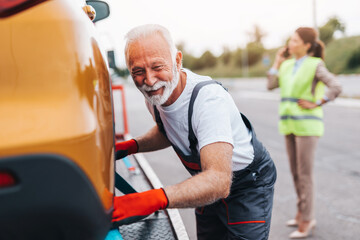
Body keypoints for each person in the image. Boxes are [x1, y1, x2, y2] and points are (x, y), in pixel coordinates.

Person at [113, 24, 277, 240]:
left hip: (246, 186)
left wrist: (152, 199)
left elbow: (218, 180)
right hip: (204, 181)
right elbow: (170, 131)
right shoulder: (154, 96)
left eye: (157, 67)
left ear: (177, 61)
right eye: (138, 71)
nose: (150, 80)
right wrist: (130, 147)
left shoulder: (208, 100)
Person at [267, 27, 342, 239]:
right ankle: (301, 213)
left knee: (305, 175)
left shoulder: (315, 64)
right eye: (290, 40)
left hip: (308, 127)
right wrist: (276, 62)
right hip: (289, 125)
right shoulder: (286, 65)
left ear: (306, 45)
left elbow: (336, 86)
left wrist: (317, 102)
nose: (290, 44)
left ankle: (308, 220)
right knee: (295, 172)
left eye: (295, 40)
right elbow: (270, 85)